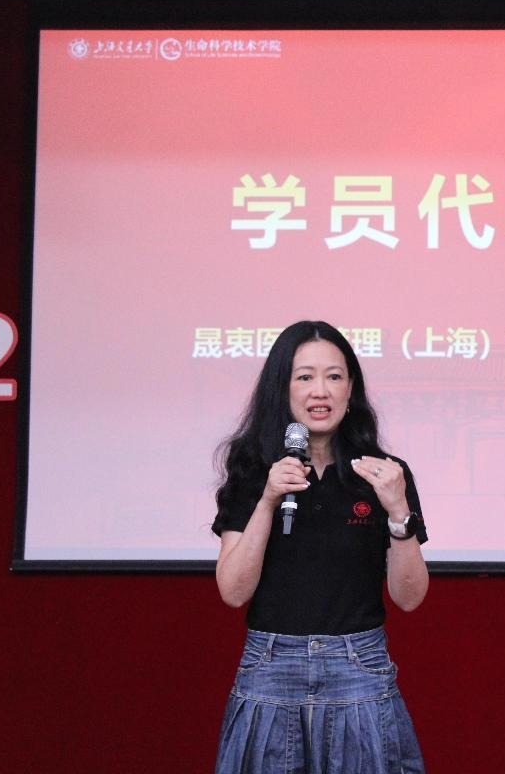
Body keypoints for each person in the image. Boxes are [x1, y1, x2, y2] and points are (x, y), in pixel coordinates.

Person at [211, 320, 428, 774]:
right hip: (271, 667)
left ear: (351, 389)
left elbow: (409, 598)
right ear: (283, 388)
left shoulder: (383, 473)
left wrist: (397, 511)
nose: (320, 391)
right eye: (305, 377)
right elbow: (233, 590)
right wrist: (269, 500)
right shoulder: (253, 469)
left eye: (334, 376)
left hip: (359, 668)